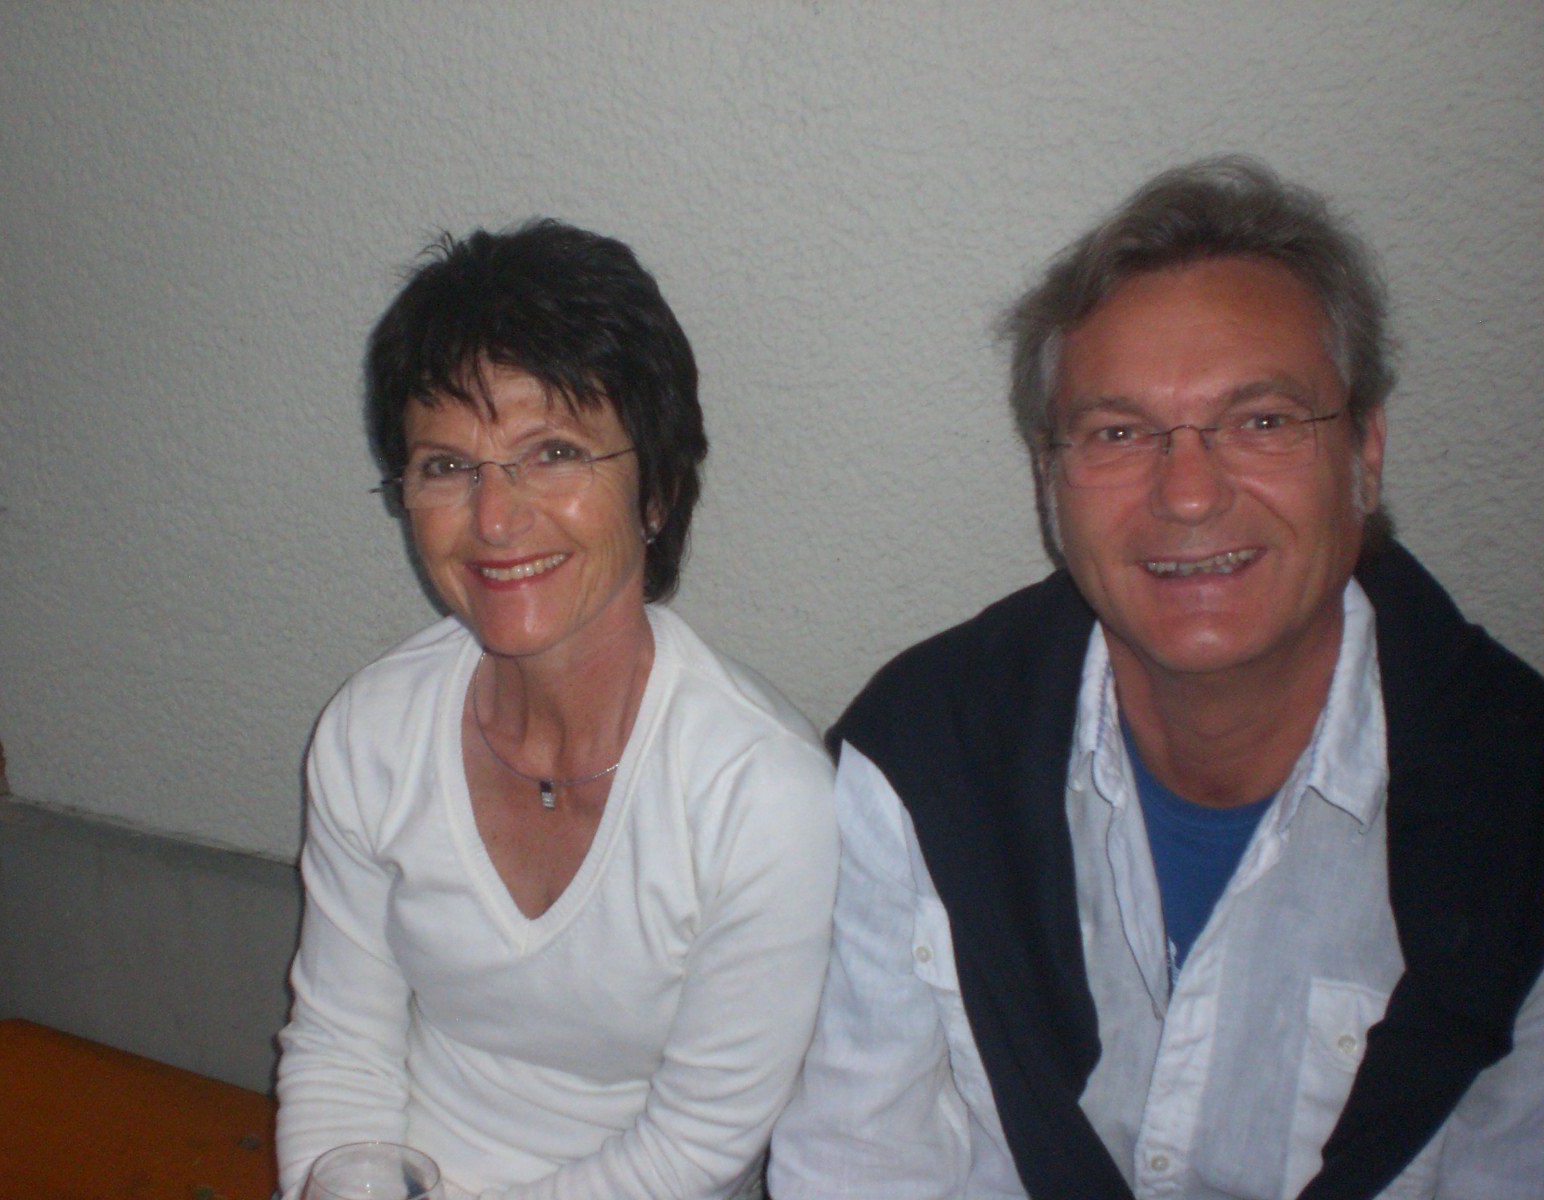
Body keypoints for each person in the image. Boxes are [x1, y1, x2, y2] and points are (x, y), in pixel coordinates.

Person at [769, 158, 1544, 1199]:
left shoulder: (1518, 808)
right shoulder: (923, 755)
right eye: (1119, 433)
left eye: (1262, 421)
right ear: (1049, 482)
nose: (1186, 494)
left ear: (1365, 453)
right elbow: (860, 1162)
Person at [275, 220, 837, 1200]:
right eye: (447, 465)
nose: (495, 518)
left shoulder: (763, 795)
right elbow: (339, 1047)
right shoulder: (372, 732)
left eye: (554, 452)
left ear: (657, 490)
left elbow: (698, 1144)